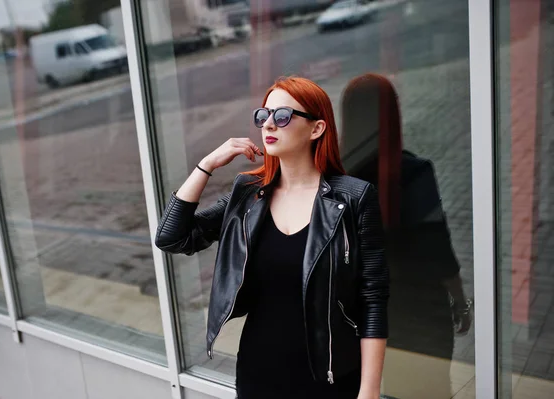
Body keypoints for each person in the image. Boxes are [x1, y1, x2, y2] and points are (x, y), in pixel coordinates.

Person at [155, 76, 389, 398]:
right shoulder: (248, 195)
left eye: (282, 117)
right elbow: (172, 238)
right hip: (259, 372)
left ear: (316, 129)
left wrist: (370, 391)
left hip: (330, 376)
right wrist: (206, 165)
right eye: (263, 116)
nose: (269, 125)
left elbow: (372, 298)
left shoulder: (353, 198)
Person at [340, 73, 472, 398]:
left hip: (360, 313)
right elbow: (439, 247)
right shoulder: (414, 173)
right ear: (391, 115)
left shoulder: (334, 177)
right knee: (427, 391)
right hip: (421, 310)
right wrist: (460, 301)